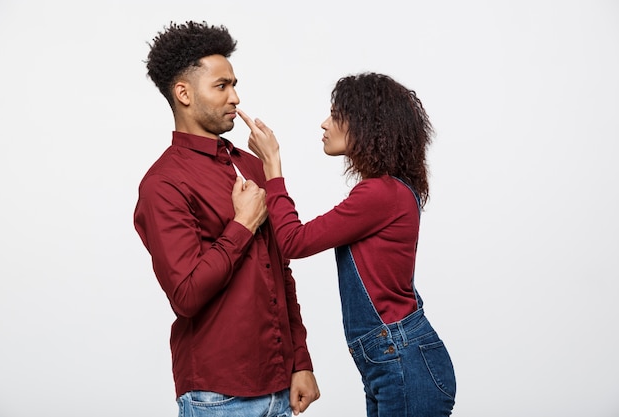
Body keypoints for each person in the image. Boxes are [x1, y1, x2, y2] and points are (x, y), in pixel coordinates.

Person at [237, 72, 456, 417]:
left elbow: (295, 241)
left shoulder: (380, 194)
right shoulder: (389, 191)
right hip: (393, 359)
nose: (324, 124)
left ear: (368, 126)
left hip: (401, 358)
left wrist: (272, 166)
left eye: (337, 116)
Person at [133, 21, 319, 417]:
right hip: (218, 396)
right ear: (183, 93)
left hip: (280, 385)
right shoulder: (162, 184)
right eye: (222, 86)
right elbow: (185, 295)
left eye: (234, 84)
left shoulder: (249, 165)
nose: (236, 98)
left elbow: (280, 272)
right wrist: (242, 225)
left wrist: (301, 360)